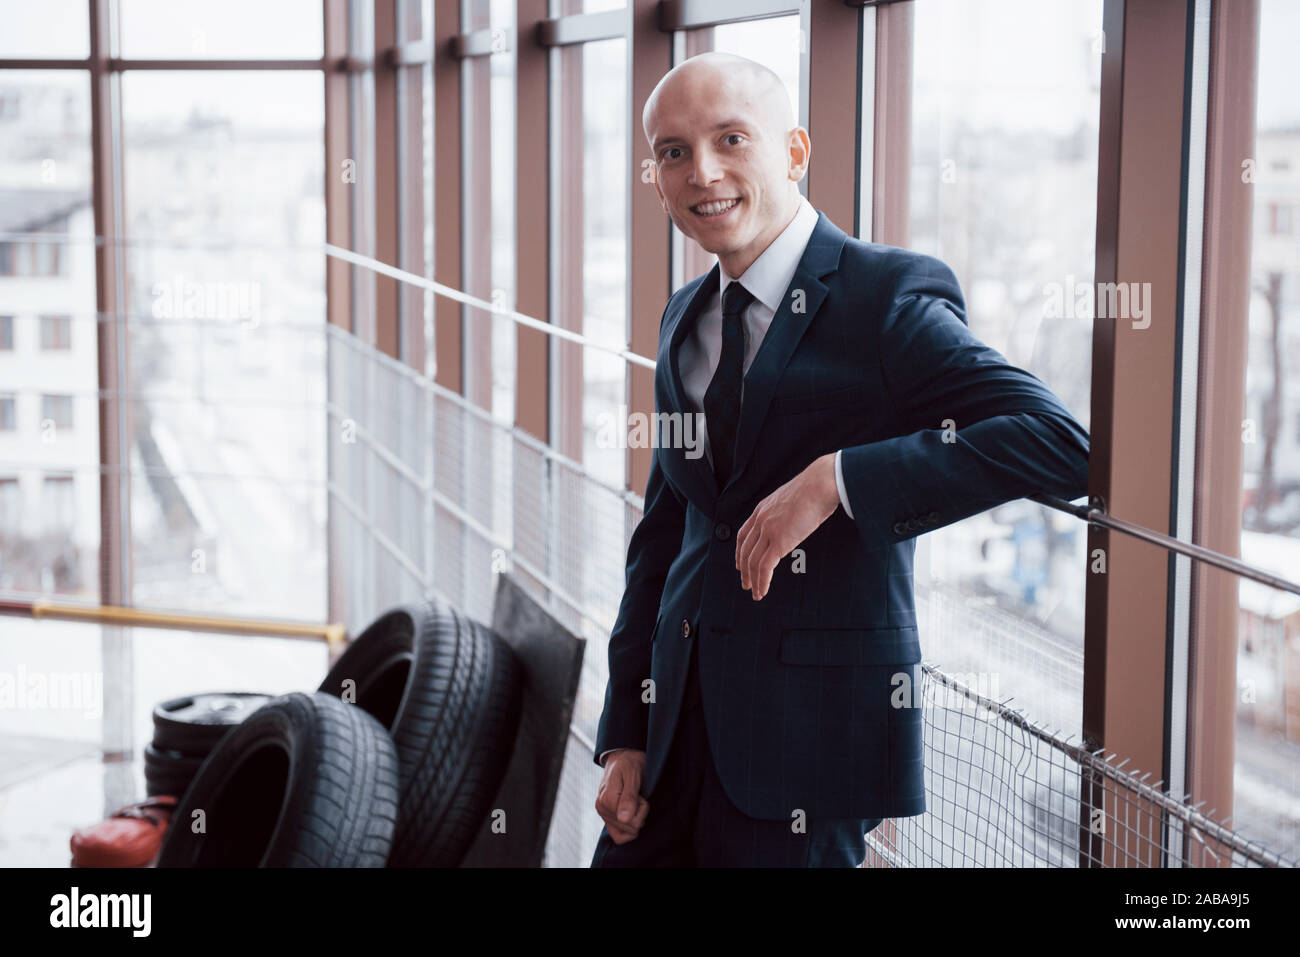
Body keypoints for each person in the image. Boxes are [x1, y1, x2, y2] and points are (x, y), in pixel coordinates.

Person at [591, 51, 1089, 867]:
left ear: (793, 152)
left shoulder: (884, 297)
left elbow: (1060, 442)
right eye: (674, 151)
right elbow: (663, 539)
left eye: (731, 139)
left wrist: (838, 480)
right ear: (655, 176)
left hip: (803, 758)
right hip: (670, 735)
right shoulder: (685, 316)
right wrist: (625, 731)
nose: (703, 171)